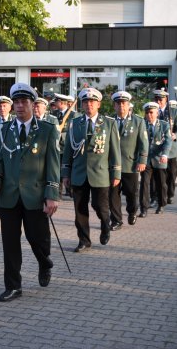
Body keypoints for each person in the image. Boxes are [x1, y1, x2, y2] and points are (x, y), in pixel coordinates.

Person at [0, 83, 59, 302]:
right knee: (10, 243)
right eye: (16, 102)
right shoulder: (3, 130)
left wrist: (51, 194)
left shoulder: (47, 129)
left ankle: (44, 262)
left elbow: (53, 165)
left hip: (35, 194)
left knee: (37, 238)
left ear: (32, 104)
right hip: (8, 195)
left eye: (23, 102)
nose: (19, 106)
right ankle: (13, 286)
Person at [62, 88, 121, 253]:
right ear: (82, 105)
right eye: (86, 102)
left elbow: (115, 151)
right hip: (79, 173)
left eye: (92, 102)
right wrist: (65, 173)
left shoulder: (109, 123)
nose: (89, 105)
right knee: (80, 210)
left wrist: (116, 173)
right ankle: (84, 240)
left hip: (100, 173)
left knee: (100, 206)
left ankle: (105, 224)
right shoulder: (74, 123)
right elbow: (68, 150)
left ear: (98, 104)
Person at [109, 91, 148, 229]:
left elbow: (144, 143)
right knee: (113, 194)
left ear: (128, 105)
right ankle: (116, 220)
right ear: (114, 106)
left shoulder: (138, 121)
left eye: (124, 103)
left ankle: (132, 212)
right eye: (118, 104)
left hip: (130, 164)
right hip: (112, 165)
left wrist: (142, 160)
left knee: (131, 193)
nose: (121, 106)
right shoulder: (109, 121)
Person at [139, 102, 172, 217]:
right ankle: (143, 209)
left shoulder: (164, 125)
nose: (149, 115)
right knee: (144, 184)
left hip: (159, 158)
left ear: (157, 113)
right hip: (146, 160)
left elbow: (168, 141)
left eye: (151, 112)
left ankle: (161, 205)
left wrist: (165, 154)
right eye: (147, 113)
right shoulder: (142, 124)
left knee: (161, 184)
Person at [153, 89, 177, 204]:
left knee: (172, 173)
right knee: (158, 174)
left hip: (172, 148)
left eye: (161, 99)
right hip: (158, 147)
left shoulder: (174, 110)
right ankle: (157, 196)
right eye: (156, 99)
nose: (158, 102)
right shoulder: (152, 110)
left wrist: (176, 134)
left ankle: (170, 194)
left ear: (166, 99)